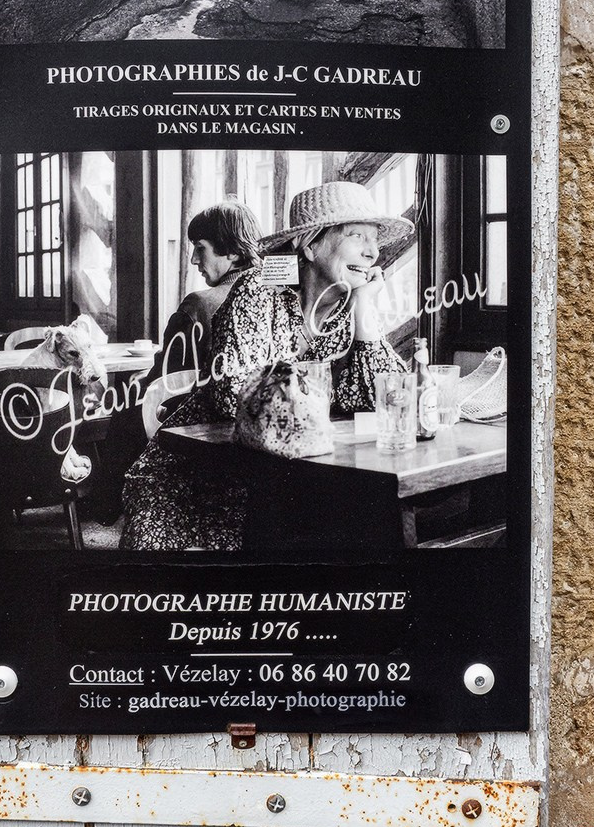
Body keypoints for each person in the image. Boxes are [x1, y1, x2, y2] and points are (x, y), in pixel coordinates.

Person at [119, 181, 409, 551]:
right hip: (199, 477)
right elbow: (234, 400)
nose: (373, 253)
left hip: (288, 479)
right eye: (357, 236)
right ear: (310, 244)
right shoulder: (259, 290)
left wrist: (366, 311)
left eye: (375, 240)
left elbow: (387, 399)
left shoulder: (348, 308)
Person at [96, 201, 262, 524]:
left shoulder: (198, 303)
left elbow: (165, 380)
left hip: (193, 424)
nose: (193, 259)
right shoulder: (274, 294)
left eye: (201, 249)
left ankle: (104, 509)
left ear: (232, 252)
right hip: (247, 425)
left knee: (124, 410)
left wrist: (136, 386)